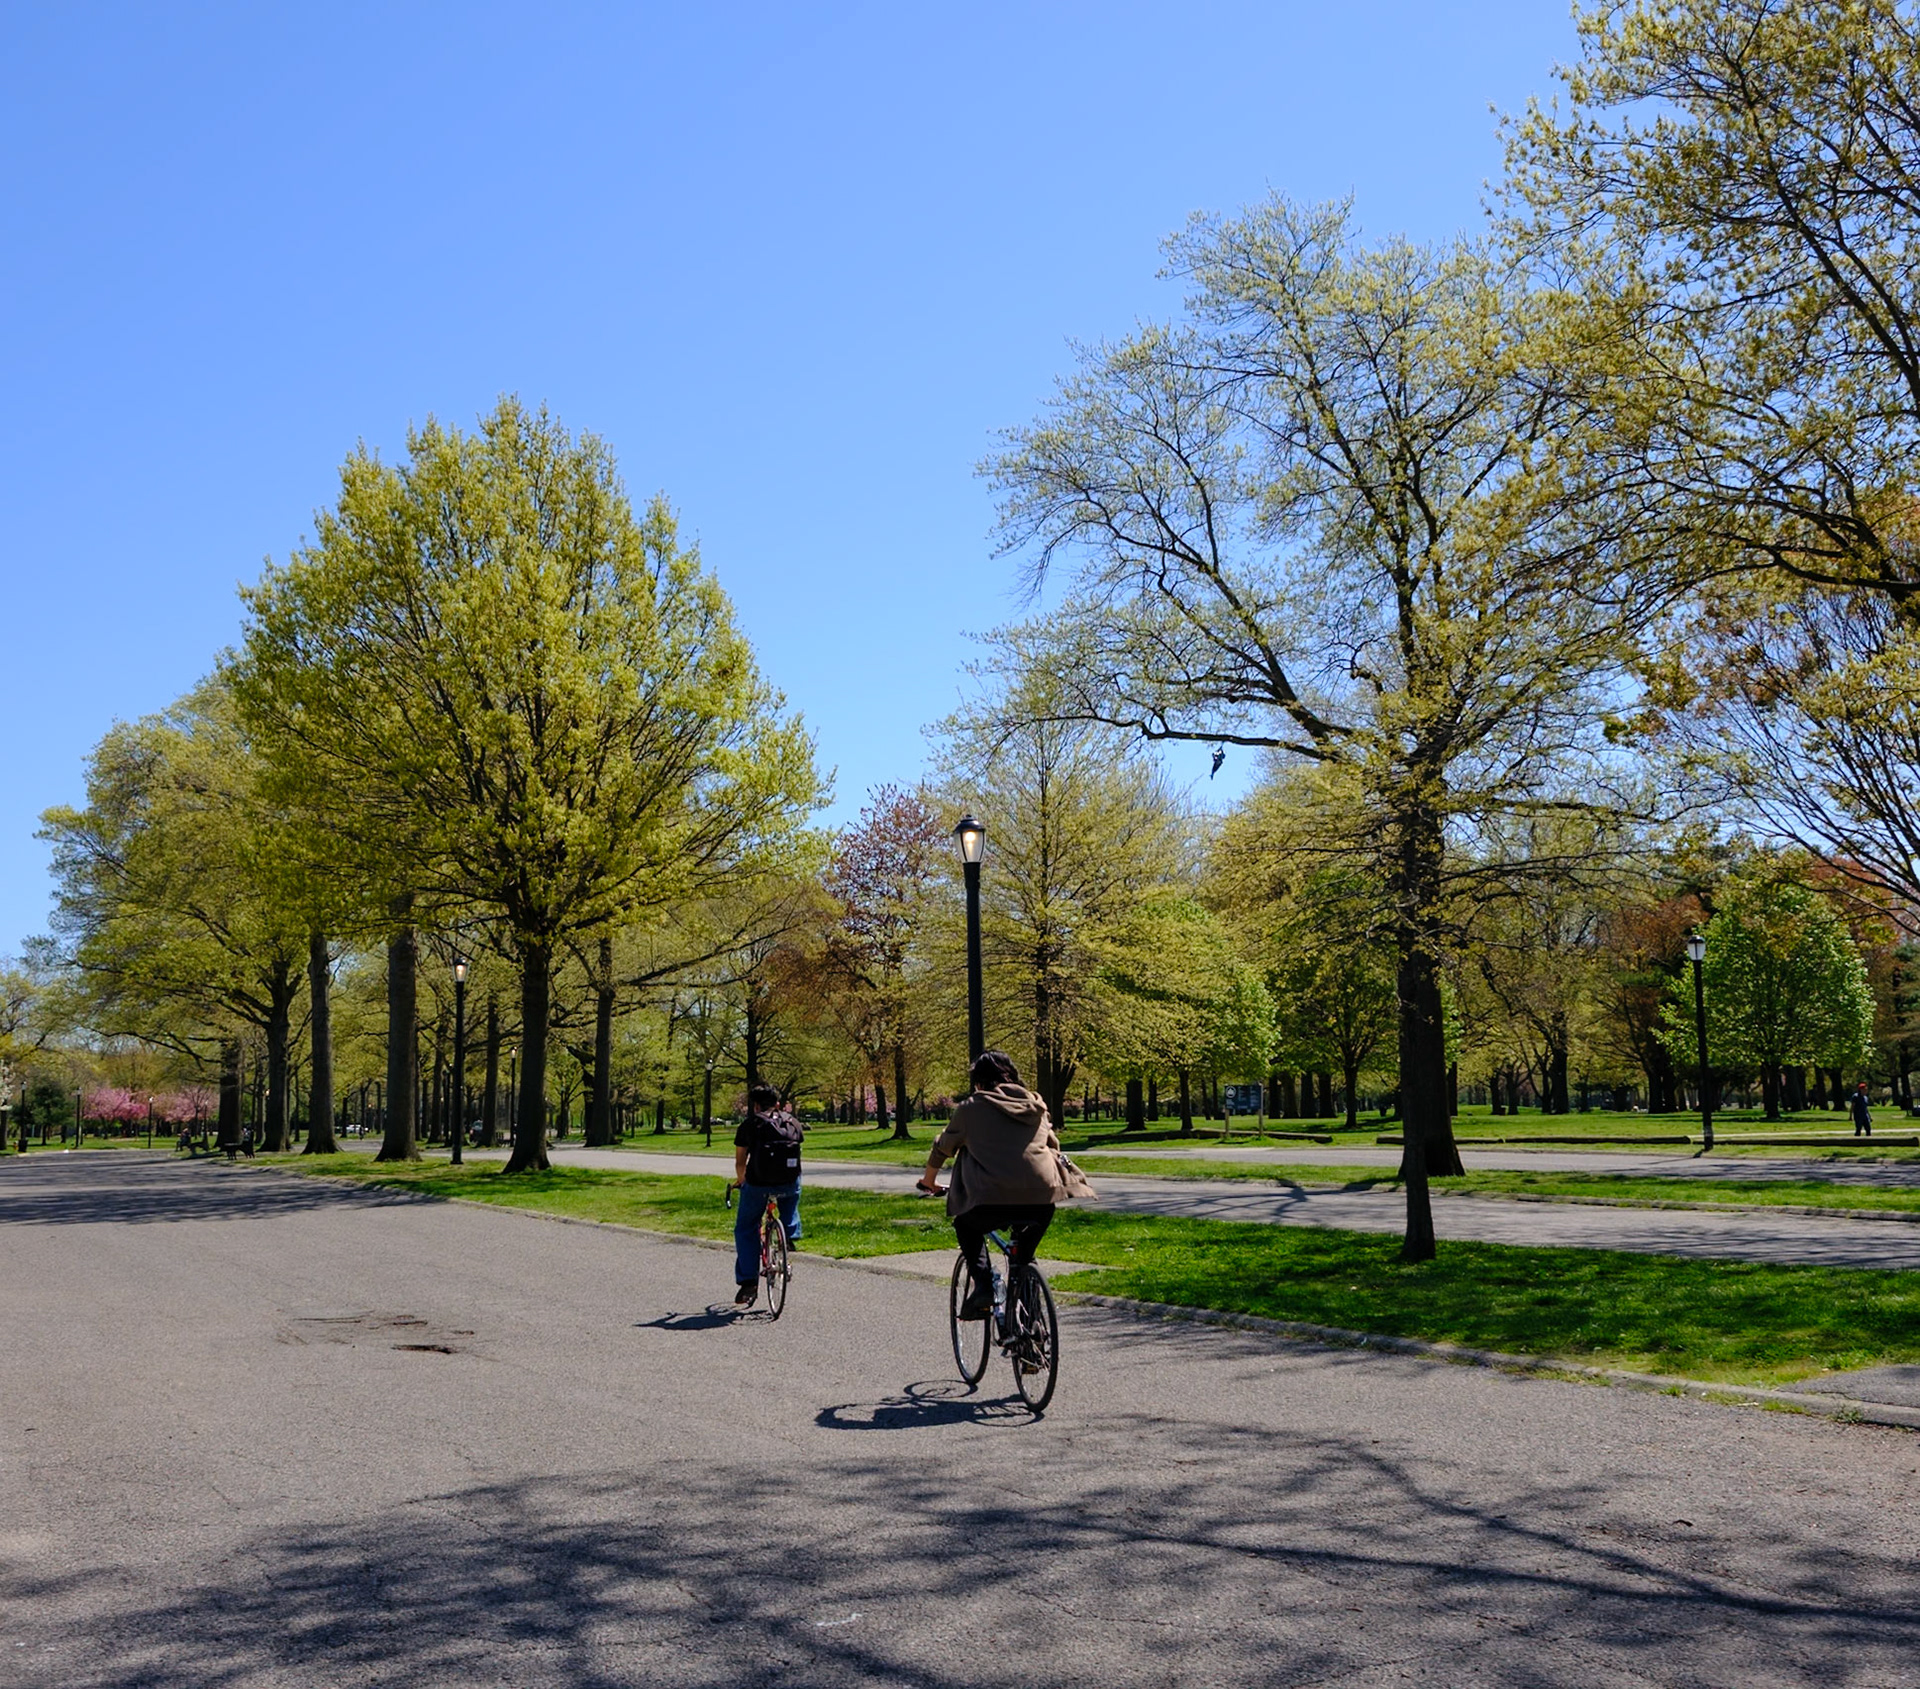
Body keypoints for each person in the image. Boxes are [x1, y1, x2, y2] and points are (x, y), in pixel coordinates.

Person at [917, 1051, 1083, 1320]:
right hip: (1041, 1197)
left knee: (966, 1226)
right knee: (1024, 1258)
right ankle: (1033, 1334)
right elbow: (1052, 1145)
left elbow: (943, 1147)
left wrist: (929, 1181)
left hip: (989, 1199)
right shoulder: (1036, 1105)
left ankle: (983, 1286)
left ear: (979, 1082)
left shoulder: (971, 1108)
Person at [731, 1084, 803, 1305]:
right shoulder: (792, 1122)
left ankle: (749, 1283)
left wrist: (741, 1182)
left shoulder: (750, 1125)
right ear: (778, 1103)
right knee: (792, 1193)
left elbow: (740, 1162)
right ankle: (789, 1233)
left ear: (755, 1105)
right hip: (788, 1182)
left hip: (758, 1184)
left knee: (746, 1228)